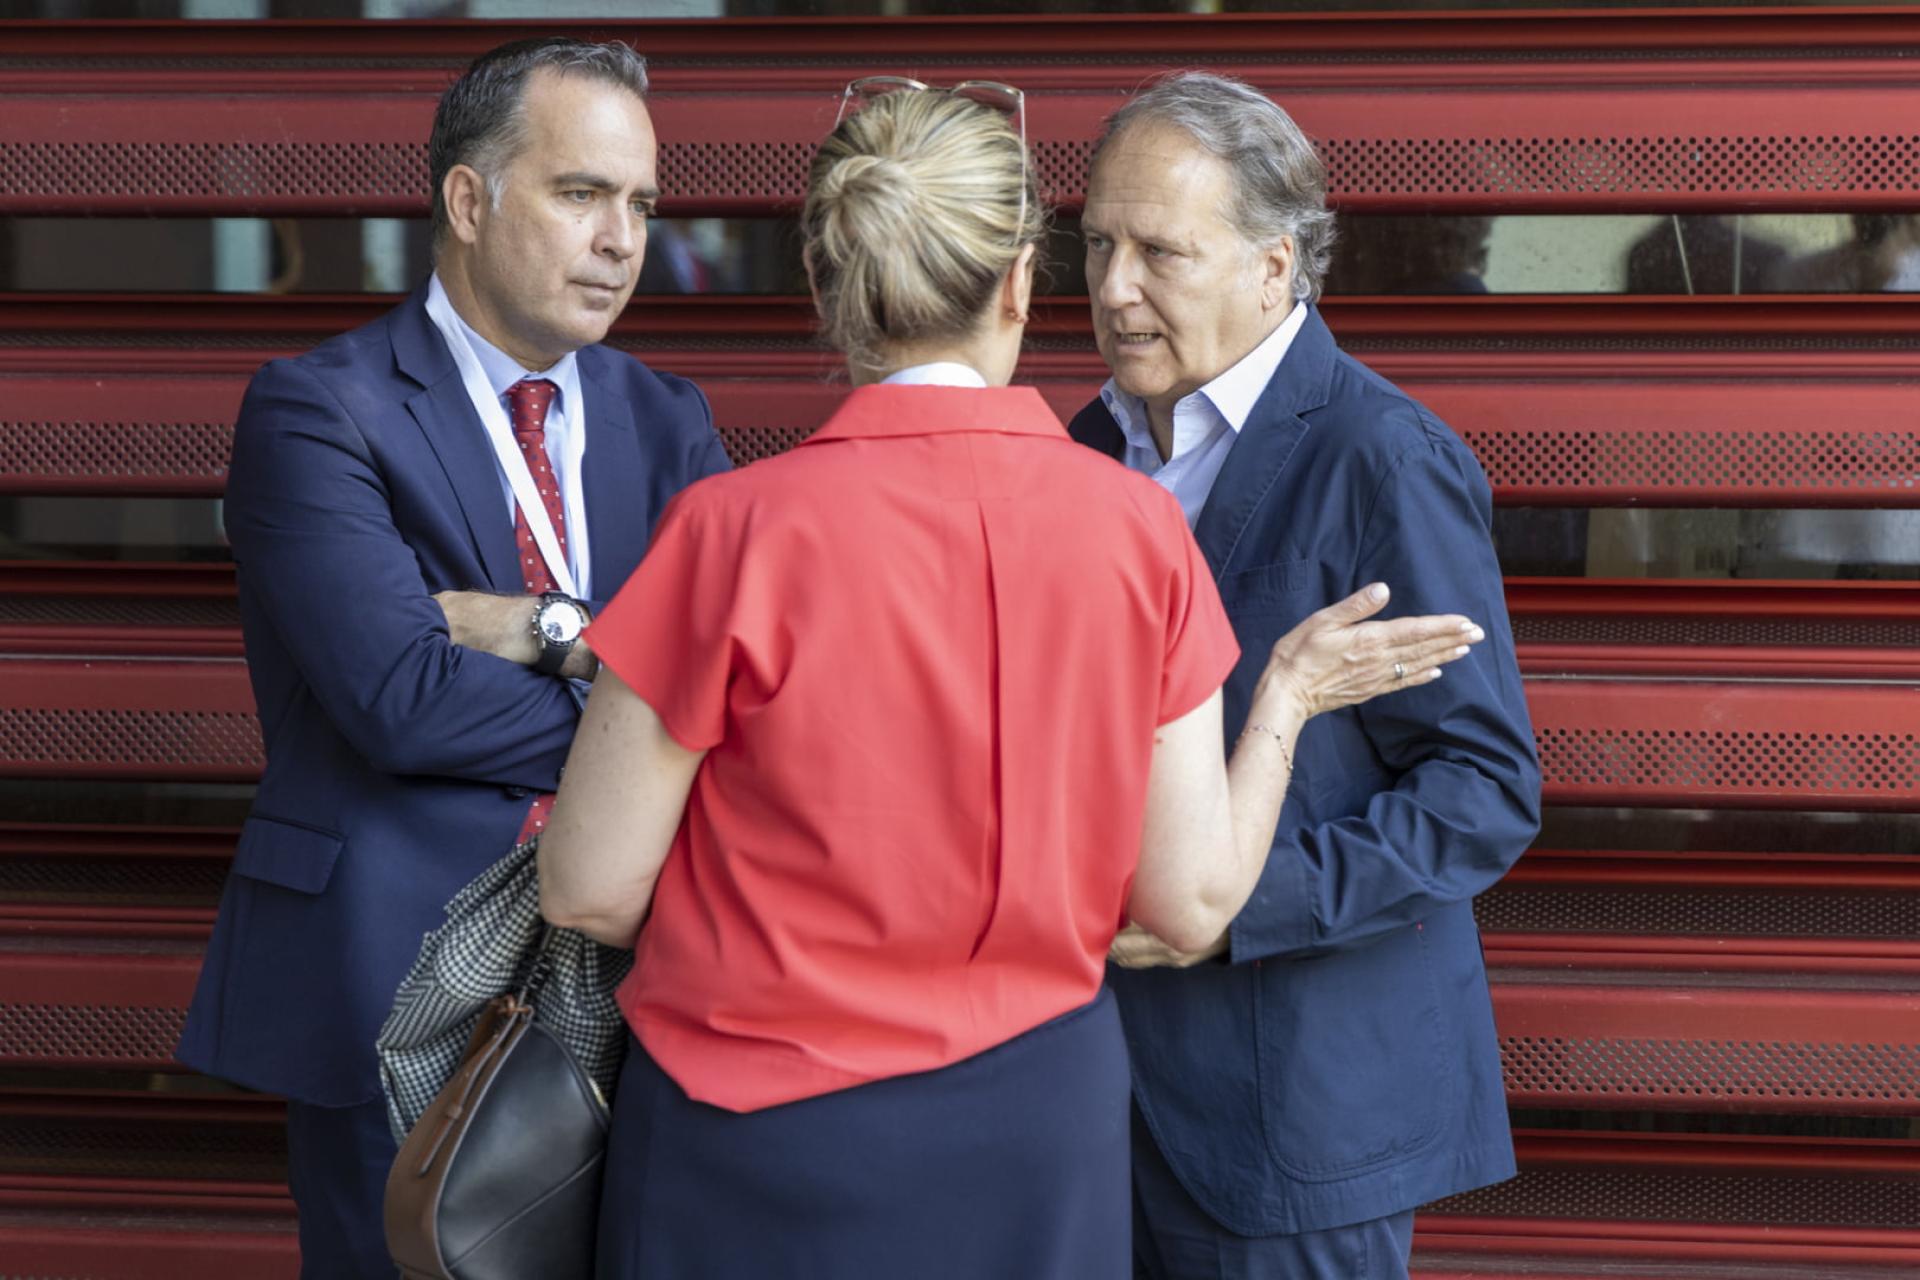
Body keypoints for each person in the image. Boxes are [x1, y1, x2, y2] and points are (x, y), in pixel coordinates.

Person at [535, 82, 1482, 1279]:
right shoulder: (1139, 527)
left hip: (758, 1129)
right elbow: (1188, 901)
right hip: (1038, 1135)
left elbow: (588, 887)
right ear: (1024, 282)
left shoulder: (729, 530)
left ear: (826, 282)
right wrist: (1283, 697)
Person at [174, 38, 729, 1277]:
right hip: (395, 986)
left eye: (641, 204)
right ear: (468, 202)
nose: (622, 239)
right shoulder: (319, 409)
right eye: (581, 193)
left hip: (639, 980)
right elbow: (401, 697)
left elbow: (731, 686)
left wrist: (543, 629)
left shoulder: (669, 418)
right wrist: (645, 699)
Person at [1069, 72, 1542, 1280]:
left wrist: (1232, 903)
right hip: (1084, 1105)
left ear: (1274, 265)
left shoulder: (1383, 458)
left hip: (1294, 1125)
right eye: (1099, 245)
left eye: (1161, 252)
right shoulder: (1082, 450)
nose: (1114, 288)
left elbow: (1482, 791)